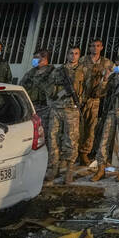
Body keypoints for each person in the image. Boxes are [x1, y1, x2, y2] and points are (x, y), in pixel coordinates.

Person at [45, 46, 85, 184]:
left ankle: (69, 170)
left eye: (76, 54)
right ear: (67, 55)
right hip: (56, 108)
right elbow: (49, 89)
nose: (73, 56)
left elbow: (88, 88)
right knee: (53, 138)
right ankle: (53, 168)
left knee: (71, 140)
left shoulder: (83, 70)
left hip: (72, 110)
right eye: (71, 53)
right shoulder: (58, 70)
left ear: (79, 56)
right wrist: (57, 95)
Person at [20, 48, 55, 179]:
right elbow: (22, 86)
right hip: (33, 109)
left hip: (46, 108)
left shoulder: (52, 72)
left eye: (38, 58)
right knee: (32, 137)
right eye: (34, 57)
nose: (35, 60)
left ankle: (48, 165)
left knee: (45, 137)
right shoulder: (30, 73)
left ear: (45, 59)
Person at [79, 38, 112, 164]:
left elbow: (113, 76)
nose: (95, 48)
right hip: (81, 98)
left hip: (95, 100)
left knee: (90, 128)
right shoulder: (82, 60)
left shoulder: (107, 63)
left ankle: (84, 153)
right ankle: (73, 152)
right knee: (76, 127)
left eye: (98, 46)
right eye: (92, 46)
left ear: (102, 47)